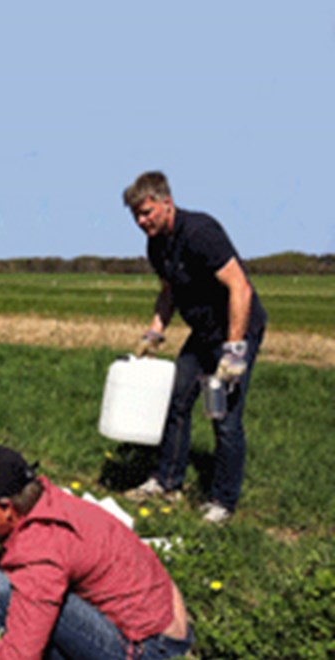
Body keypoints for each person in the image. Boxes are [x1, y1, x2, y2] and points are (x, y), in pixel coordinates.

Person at [0, 446, 193, 660]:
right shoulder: (50, 502)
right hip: (165, 620)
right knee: (3, 586)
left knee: (5, 589)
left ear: (5, 507)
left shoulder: (41, 553)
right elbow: (14, 566)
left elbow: (19, 657)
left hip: (147, 650)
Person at [123, 171, 266, 523]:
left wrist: (234, 350)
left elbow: (240, 288)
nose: (141, 222)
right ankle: (167, 481)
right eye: (136, 216)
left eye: (147, 212)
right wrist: (154, 333)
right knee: (178, 401)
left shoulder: (201, 232)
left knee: (222, 415)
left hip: (234, 331)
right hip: (202, 333)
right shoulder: (157, 244)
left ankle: (222, 501)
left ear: (166, 203)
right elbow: (169, 291)